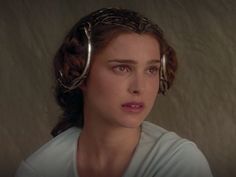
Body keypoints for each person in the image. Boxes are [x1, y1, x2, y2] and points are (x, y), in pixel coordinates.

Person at [15, 8, 213, 177]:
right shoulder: (39, 169)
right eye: (122, 68)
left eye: (151, 70)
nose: (139, 87)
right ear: (80, 73)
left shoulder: (180, 163)